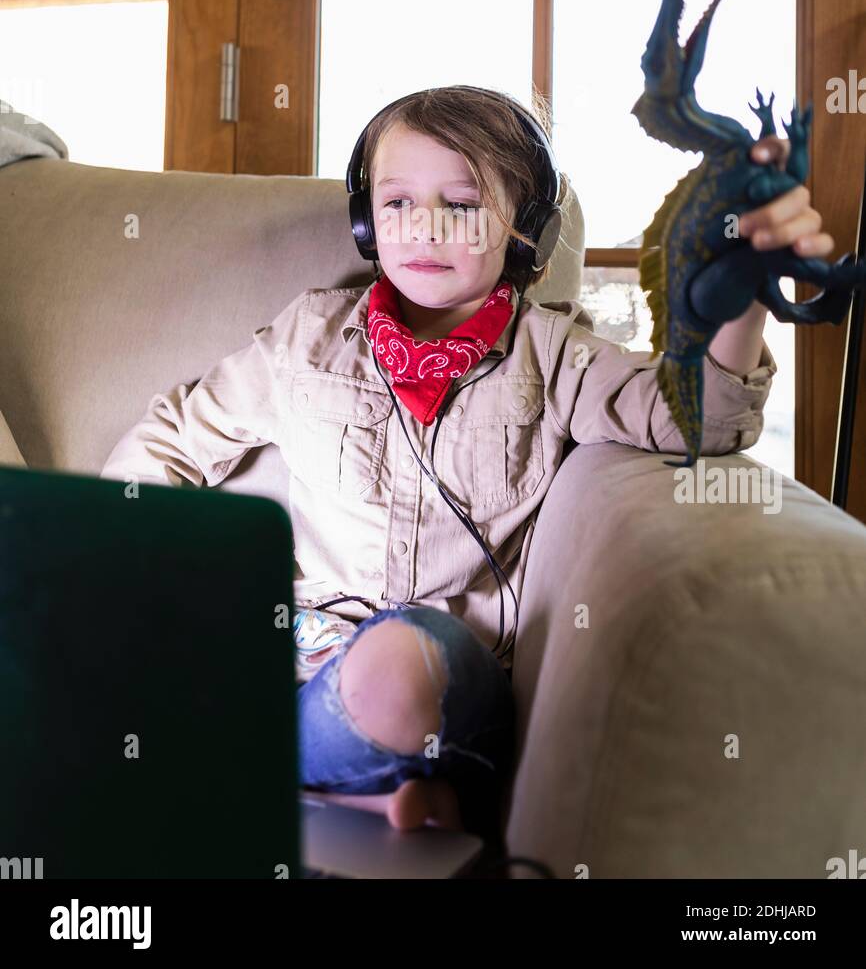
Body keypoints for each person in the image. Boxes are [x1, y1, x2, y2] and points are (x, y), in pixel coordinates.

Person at [100, 84, 834, 841]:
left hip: (434, 681)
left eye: (461, 205)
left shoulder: (555, 357)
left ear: (528, 234)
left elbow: (702, 417)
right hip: (294, 665)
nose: (424, 228)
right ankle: (346, 795)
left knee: (398, 662)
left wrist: (742, 296)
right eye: (396, 204)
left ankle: (260, 774)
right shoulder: (306, 340)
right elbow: (174, 434)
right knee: (122, 658)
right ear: (365, 221)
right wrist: (146, 561)